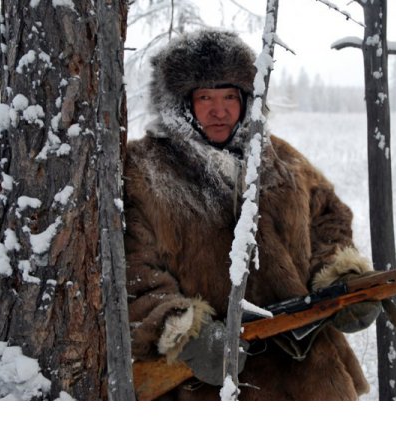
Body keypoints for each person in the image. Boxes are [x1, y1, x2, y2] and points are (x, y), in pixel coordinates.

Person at [124, 29, 381, 401]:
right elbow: (133, 269)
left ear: (248, 97)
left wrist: (337, 279)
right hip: (207, 385)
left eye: (230, 96)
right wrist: (184, 332)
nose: (220, 110)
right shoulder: (143, 170)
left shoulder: (280, 157)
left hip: (308, 374)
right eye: (205, 97)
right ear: (180, 102)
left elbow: (328, 217)